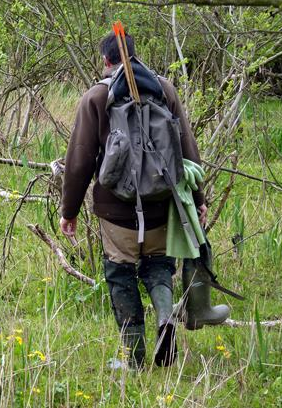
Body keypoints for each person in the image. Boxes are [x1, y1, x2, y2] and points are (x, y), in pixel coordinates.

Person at [59, 32, 208, 369]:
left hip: (117, 210)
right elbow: (187, 147)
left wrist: (69, 211)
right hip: (160, 202)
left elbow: (80, 160)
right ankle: (165, 317)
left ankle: (135, 357)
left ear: (106, 60)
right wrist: (197, 198)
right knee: (158, 265)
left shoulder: (96, 96)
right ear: (134, 54)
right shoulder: (164, 89)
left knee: (120, 273)